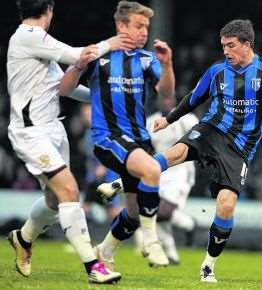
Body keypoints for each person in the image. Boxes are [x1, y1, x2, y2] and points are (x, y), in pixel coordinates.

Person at [150, 19, 262, 282]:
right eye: (223, 46)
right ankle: (130, 176)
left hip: (239, 149)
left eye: (231, 46)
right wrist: (169, 119)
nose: (226, 51)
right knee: (176, 152)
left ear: (247, 44)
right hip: (211, 130)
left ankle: (208, 265)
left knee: (226, 205)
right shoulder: (217, 71)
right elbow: (194, 98)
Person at [6, 0, 133, 284]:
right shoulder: (29, 36)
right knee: (69, 191)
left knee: (54, 200)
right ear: (49, 9)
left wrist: (103, 101)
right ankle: (93, 267)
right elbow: (81, 55)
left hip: (53, 129)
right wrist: (111, 43)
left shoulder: (39, 47)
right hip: (32, 132)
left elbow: (66, 87)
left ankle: (23, 238)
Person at [67, 1, 176, 270]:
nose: (144, 32)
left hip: (138, 140)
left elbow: (166, 93)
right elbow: (65, 88)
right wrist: (79, 67)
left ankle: (104, 251)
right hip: (108, 138)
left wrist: (168, 64)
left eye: (146, 27)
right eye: (138, 26)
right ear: (121, 26)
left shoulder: (147, 60)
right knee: (152, 170)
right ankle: (151, 242)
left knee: (135, 212)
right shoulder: (99, 56)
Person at [135, 96, 198, 265]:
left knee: (163, 211)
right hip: (159, 169)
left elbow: (199, 141)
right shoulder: (150, 121)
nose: (166, 101)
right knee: (155, 210)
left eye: (168, 97)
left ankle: (189, 224)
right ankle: (171, 254)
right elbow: (146, 146)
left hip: (181, 169)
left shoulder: (187, 119)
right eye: (162, 97)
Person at [80, 104, 122, 223]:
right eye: (85, 115)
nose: (88, 118)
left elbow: (113, 150)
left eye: (90, 115)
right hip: (93, 177)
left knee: (113, 209)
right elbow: (89, 152)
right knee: (86, 206)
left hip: (108, 176)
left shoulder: (103, 131)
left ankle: (119, 234)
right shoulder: (88, 132)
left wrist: (104, 166)